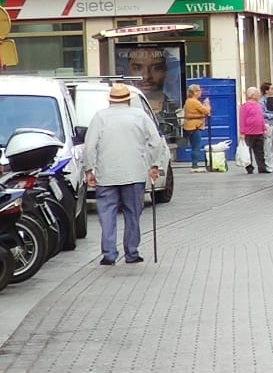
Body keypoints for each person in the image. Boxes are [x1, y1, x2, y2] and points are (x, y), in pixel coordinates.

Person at [84, 82, 167, 267]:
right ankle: (132, 253)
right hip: (134, 174)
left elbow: (89, 146)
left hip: (106, 175)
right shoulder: (139, 116)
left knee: (107, 215)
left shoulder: (100, 117)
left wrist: (90, 169)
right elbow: (156, 141)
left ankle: (109, 254)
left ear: (110, 100)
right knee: (132, 214)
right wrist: (154, 165)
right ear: (129, 100)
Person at [239, 86, 269, 175]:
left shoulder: (258, 105)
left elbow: (261, 118)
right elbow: (242, 119)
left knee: (260, 151)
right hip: (249, 132)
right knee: (248, 151)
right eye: (256, 93)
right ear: (252, 95)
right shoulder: (245, 106)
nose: (258, 94)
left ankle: (262, 167)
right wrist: (242, 132)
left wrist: (264, 129)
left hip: (259, 132)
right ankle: (249, 167)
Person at [182, 83, 211, 170]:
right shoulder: (194, 102)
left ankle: (195, 163)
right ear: (194, 92)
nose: (200, 92)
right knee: (196, 146)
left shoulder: (188, 101)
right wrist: (207, 104)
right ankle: (195, 165)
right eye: (199, 90)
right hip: (195, 127)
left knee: (194, 145)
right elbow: (206, 111)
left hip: (190, 126)